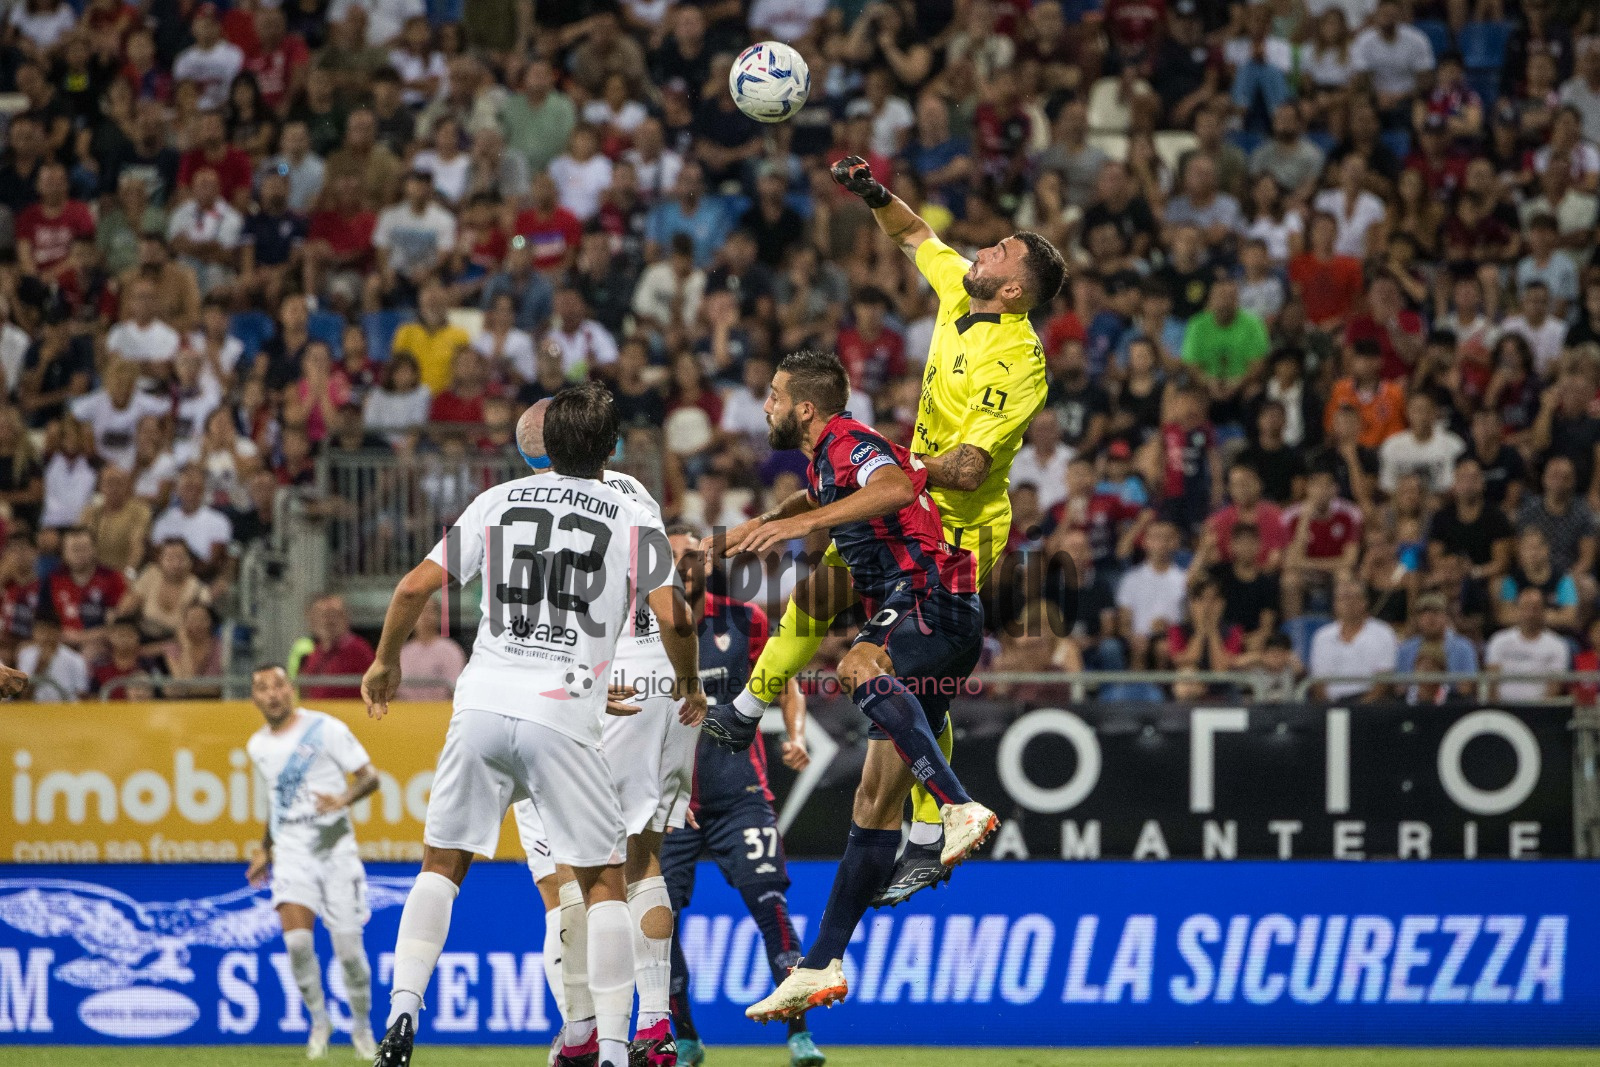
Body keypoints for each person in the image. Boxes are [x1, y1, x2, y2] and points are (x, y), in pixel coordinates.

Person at [715, 155, 1063, 907]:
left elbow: (969, 468)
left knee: (918, 675)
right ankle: (746, 709)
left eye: (1000, 251)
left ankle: (935, 826)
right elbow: (911, 234)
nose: (983, 249)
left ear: (1012, 289)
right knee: (824, 584)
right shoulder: (958, 294)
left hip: (962, 527)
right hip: (909, 498)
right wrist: (874, 192)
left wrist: (894, 467)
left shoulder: (1020, 364)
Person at [362, 384, 703, 1067]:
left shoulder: (497, 500)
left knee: (442, 863)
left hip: (483, 698)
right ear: (610, 448)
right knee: (608, 878)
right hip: (568, 704)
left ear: (540, 446)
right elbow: (672, 615)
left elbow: (408, 589)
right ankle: (614, 1043)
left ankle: (401, 1012)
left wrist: (384, 661)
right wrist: (690, 681)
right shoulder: (631, 507)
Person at [704, 351, 999, 1020]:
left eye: (775, 397)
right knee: (870, 800)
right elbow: (818, 495)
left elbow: (894, 487)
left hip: (929, 593)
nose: (768, 406)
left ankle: (956, 804)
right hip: (928, 609)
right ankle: (819, 965)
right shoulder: (825, 461)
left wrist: (803, 526)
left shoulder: (848, 439)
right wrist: (754, 527)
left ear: (806, 408)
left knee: (856, 666)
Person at [503, 397, 702, 1067]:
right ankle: (654, 1026)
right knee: (641, 859)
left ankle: (586, 1031)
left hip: (585, 684)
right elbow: (669, 604)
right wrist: (690, 679)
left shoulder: (525, 505)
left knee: (569, 878)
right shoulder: (636, 493)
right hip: (658, 680)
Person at [656, 526, 823, 1067]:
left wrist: (794, 735)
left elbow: (786, 678)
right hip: (670, 799)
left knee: (769, 903)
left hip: (739, 792)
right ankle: (683, 1036)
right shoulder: (641, 628)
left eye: (691, 555)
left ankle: (799, 1033)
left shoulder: (744, 620)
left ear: (709, 565)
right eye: (673, 555)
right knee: (659, 919)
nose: (683, 564)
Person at [244, 664, 380, 1061]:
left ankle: (361, 1025)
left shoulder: (325, 728)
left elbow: (370, 778)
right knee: (299, 944)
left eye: (278, 685)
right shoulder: (257, 746)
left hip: (336, 851)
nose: (272, 694)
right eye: (263, 688)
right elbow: (276, 803)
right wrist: (265, 849)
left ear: (292, 690)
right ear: (254, 699)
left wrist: (343, 800)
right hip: (291, 854)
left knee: (350, 954)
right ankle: (319, 1020)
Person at [1308, 574, 1399, 702]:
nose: (1348, 603)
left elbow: (1384, 680)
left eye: (1352, 597)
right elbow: (1319, 682)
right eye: (1342, 598)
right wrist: (1331, 708)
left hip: (1370, 704)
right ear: (1335, 604)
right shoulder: (1322, 636)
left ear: (1364, 602)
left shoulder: (1383, 632)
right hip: (1331, 704)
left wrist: (1359, 709)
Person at [1485, 589, 1570, 703]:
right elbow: (1492, 683)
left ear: (1543, 611)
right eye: (1525, 608)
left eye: (1535, 608)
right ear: (1517, 610)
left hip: (1539, 711)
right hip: (1503, 709)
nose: (1530, 614)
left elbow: (1553, 687)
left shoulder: (1557, 645)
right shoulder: (1499, 640)